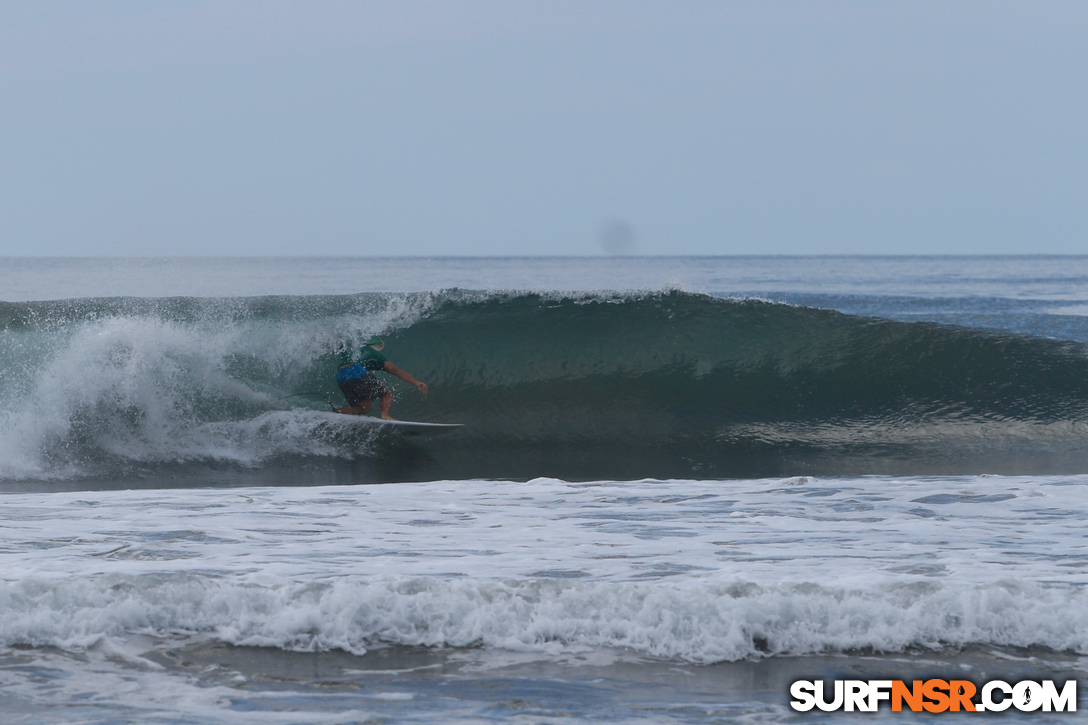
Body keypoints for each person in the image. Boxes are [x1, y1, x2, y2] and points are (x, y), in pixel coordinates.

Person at [335, 336, 428, 419]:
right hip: (357, 372)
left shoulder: (352, 349)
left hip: (341, 377)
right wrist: (416, 383)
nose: (380, 351)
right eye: (379, 349)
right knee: (386, 394)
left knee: (365, 407)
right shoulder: (375, 354)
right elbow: (396, 371)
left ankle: (335, 413)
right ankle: (385, 415)